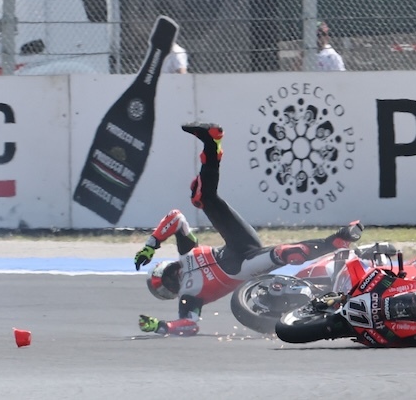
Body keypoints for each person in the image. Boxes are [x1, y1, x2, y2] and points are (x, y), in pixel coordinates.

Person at [134, 122, 363, 336]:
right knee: (287, 253)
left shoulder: (186, 252)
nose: (175, 278)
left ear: (168, 267)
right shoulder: (189, 298)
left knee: (202, 197)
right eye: (169, 285)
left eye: (168, 275)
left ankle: (212, 142)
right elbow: (190, 325)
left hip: (237, 244)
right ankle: (337, 240)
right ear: (172, 293)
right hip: (244, 267)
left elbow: (176, 218)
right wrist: (161, 326)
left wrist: (151, 245)